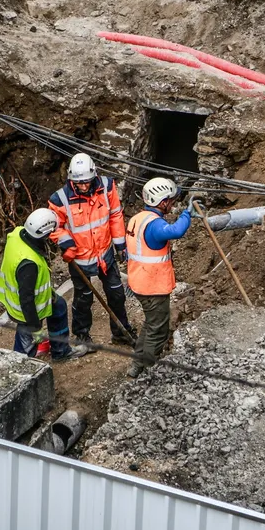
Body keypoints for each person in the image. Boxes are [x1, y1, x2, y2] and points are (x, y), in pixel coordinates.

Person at [48, 153, 136, 345]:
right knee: (83, 299)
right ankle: (82, 336)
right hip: (80, 258)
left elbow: (115, 215)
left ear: (94, 176)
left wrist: (120, 245)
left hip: (105, 254)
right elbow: (55, 226)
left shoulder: (107, 187)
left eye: (87, 182)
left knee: (116, 294)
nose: (84, 186)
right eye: (79, 183)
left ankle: (121, 332)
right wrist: (66, 244)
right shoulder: (60, 199)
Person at [0, 208, 89, 360]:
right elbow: (27, 300)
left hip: (31, 298)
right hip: (25, 312)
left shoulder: (17, 234)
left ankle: (61, 351)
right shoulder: (28, 264)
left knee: (59, 307)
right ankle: (18, 369)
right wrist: (35, 328)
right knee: (26, 345)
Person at [124, 177, 194, 378]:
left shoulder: (138, 218)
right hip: (152, 287)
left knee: (150, 324)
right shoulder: (154, 225)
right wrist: (187, 214)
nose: (172, 203)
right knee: (158, 330)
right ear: (162, 202)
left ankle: (137, 364)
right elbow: (177, 230)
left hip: (139, 282)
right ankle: (147, 370)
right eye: (171, 200)